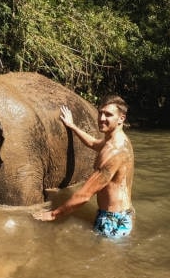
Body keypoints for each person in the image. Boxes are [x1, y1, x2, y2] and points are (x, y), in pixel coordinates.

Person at [33, 95, 135, 238]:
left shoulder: (114, 151)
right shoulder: (119, 140)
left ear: (121, 119)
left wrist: (53, 214)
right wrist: (72, 126)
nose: (101, 118)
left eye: (108, 115)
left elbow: (85, 194)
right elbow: (93, 143)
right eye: (101, 113)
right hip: (123, 213)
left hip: (112, 221)